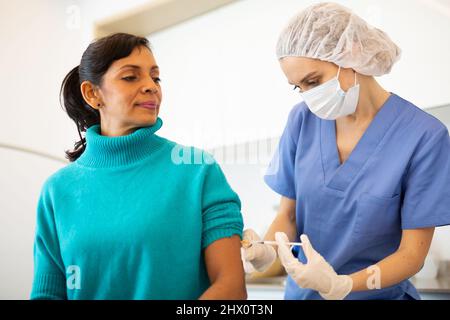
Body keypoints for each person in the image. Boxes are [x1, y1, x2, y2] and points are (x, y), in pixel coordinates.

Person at [241, 2, 450, 300]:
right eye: (298, 87)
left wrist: (343, 285)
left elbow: (411, 255)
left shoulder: (424, 136)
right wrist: (267, 250)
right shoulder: (302, 121)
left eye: (313, 81)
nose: (308, 96)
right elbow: (287, 216)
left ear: (350, 53)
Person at [30, 33, 246, 300]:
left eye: (155, 77)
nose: (151, 86)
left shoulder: (197, 171)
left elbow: (231, 288)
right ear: (92, 93)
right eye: (131, 77)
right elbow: (47, 294)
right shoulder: (57, 190)